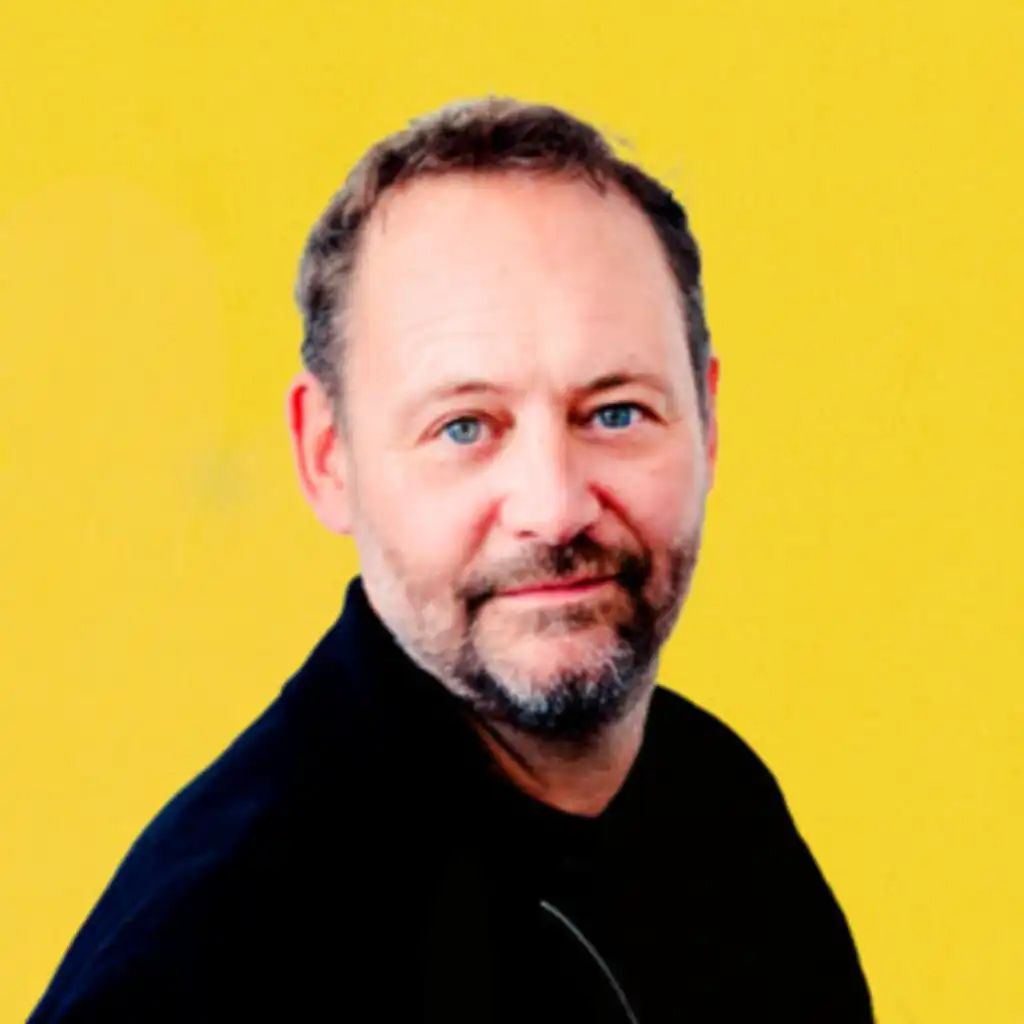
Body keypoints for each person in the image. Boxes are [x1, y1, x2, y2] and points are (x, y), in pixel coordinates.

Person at [29, 97, 874, 1023]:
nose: (554, 507)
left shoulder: (717, 809)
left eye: (616, 412)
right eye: (465, 427)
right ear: (328, 456)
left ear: (706, 423)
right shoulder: (212, 961)